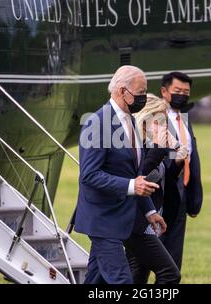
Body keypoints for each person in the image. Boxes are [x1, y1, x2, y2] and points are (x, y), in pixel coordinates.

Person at [74, 65, 165, 284]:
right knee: (122, 281)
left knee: (96, 281)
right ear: (121, 91)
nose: (144, 97)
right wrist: (132, 186)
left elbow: (133, 173)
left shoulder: (129, 120)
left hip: (118, 220)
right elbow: (89, 175)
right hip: (102, 220)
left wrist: (149, 210)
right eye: (140, 92)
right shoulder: (97, 123)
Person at [124, 94, 188, 284]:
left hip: (149, 221)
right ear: (145, 119)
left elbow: (158, 177)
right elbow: (140, 177)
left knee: (138, 274)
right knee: (169, 273)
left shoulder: (150, 144)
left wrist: (177, 160)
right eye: (158, 120)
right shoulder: (134, 145)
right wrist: (160, 148)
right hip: (136, 221)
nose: (163, 126)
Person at [160, 72, 204, 270]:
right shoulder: (154, 118)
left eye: (186, 92)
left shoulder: (184, 119)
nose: (182, 95)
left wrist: (194, 199)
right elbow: (154, 156)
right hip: (158, 198)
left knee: (173, 264)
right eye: (177, 91)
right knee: (141, 264)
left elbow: (193, 159)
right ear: (164, 91)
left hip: (180, 197)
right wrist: (176, 159)